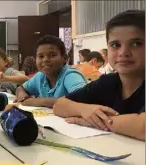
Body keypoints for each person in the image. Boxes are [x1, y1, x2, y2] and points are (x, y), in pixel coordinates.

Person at [53, 10, 145, 141]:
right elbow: (59, 105)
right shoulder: (107, 82)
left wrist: (94, 121)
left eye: (136, 44)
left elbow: (143, 127)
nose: (124, 52)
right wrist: (84, 110)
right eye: (115, 45)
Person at [14, 35, 88, 108]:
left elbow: (83, 99)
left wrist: (37, 101)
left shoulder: (70, 75)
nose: (45, 59)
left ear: (64, 58)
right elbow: (21, 88)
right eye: (41, 56)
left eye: (52, 55)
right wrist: (22, 95)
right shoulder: (40, 76)